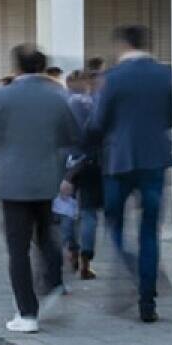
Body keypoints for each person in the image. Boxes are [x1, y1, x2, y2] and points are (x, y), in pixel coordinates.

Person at [0, 45, 80, 332]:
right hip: (47, 178)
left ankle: (27, 312)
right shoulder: (58, 97)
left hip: (13, 180)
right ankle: (54, 284)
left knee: (17, 248)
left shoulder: (0, 97)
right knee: (46, 234)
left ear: (16, 66)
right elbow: (71, 136)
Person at [85, 24, 172, 323]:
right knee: (150, 230)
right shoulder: (166, 75)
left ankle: (132, 269)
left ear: (122, 44)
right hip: (155, 159)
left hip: (119, 160)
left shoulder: (112, 78)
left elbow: (98, 122)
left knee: (113, 224)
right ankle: (147, 299)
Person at [63, 71, 104, 280]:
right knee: (89, 212)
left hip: (68, 162)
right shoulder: (97, 103)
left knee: (68, 209)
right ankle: (86, 262)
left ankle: (72, 251)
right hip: (93, 162)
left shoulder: (65, 103)